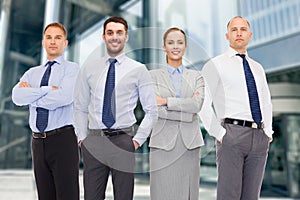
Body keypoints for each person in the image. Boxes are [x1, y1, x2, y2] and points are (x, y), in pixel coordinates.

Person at [74, 16, 157, 200]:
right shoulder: (89, 68)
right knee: (91, 197)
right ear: (103, 36)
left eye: (119, 33)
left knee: (124, 196)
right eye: (110, 33)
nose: (114, 37)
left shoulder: (138, 70)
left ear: (126, 36)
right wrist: (82, 139)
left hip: (123, 140)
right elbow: (80, 107)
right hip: (94, 140)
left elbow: (152, 110)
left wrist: (136, 141)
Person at [200, 16, 273, 200]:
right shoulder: (215, 65)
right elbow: (202, 103)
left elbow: (265, 102)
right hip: (231, 134)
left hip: (259, 137)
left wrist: (268, 132)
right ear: (227, 36)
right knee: (229, 195)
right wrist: (219, 133)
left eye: (242, 29)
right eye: (234, 29)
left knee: (251, 196)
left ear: (250, 35)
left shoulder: (258, 68)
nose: (239, 33)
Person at [11, 22, 80, 200]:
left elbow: (64, 97)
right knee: (44, 196)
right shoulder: (31, 73)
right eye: (49, 37)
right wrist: (47, 90)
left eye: (58, 38)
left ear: (65, 43)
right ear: (43, 42)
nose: (53, 41)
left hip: (62, 139)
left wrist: (32, 96)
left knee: (67, 195)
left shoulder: (72, 70)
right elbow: (17, 97)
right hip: (37, 142)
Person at [149, 27, 205, 200]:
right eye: (171, 42)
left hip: (189, 145)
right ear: (164, 47)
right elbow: (154, 109)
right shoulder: (151, 76)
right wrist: (187, 112)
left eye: (180, 42)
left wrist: (167, 102)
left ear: (185, 46)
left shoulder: (197, 76)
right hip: (162, 143)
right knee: (161, 194)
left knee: (188, 195)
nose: (175, 46)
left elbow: (197, 105)